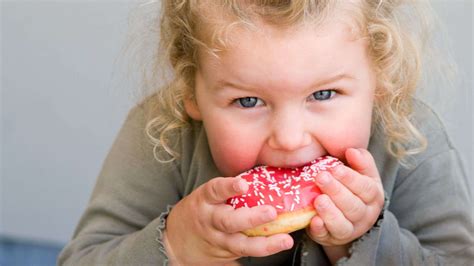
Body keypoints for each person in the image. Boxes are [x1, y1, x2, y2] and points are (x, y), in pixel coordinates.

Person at [58, 0, 473, 265]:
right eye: (248, 102)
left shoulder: (411, 138)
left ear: (379, 79)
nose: (290, 139)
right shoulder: (163, 134)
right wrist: (178, 246)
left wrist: (361, 241)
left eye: (323, 93)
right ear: (191, 92)